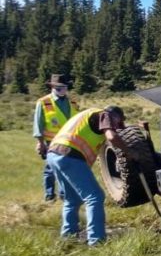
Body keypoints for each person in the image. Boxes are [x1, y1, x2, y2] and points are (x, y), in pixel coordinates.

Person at [46, 105, 135, 246]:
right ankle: (96, 241)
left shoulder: (87, 114)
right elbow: (111, 136)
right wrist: (129, 152)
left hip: (53, 155)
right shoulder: (105, 115)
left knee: (72, 199)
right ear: (116, 116)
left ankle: (69, 236)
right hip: (70, 155)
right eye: (119, 122)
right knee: (95, 197)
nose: (117, 126)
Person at [32, 74, 77, 201]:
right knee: (51, 170)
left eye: (64, 87)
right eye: (58, 88)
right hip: (52, 142)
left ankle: (64, 195)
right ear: (52, 87)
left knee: (67, 168)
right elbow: (38, 124)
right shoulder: (43, 102)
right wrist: (40, 143)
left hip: (70, 141)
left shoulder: (73, 102)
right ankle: (50, 196)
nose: (62, 90)